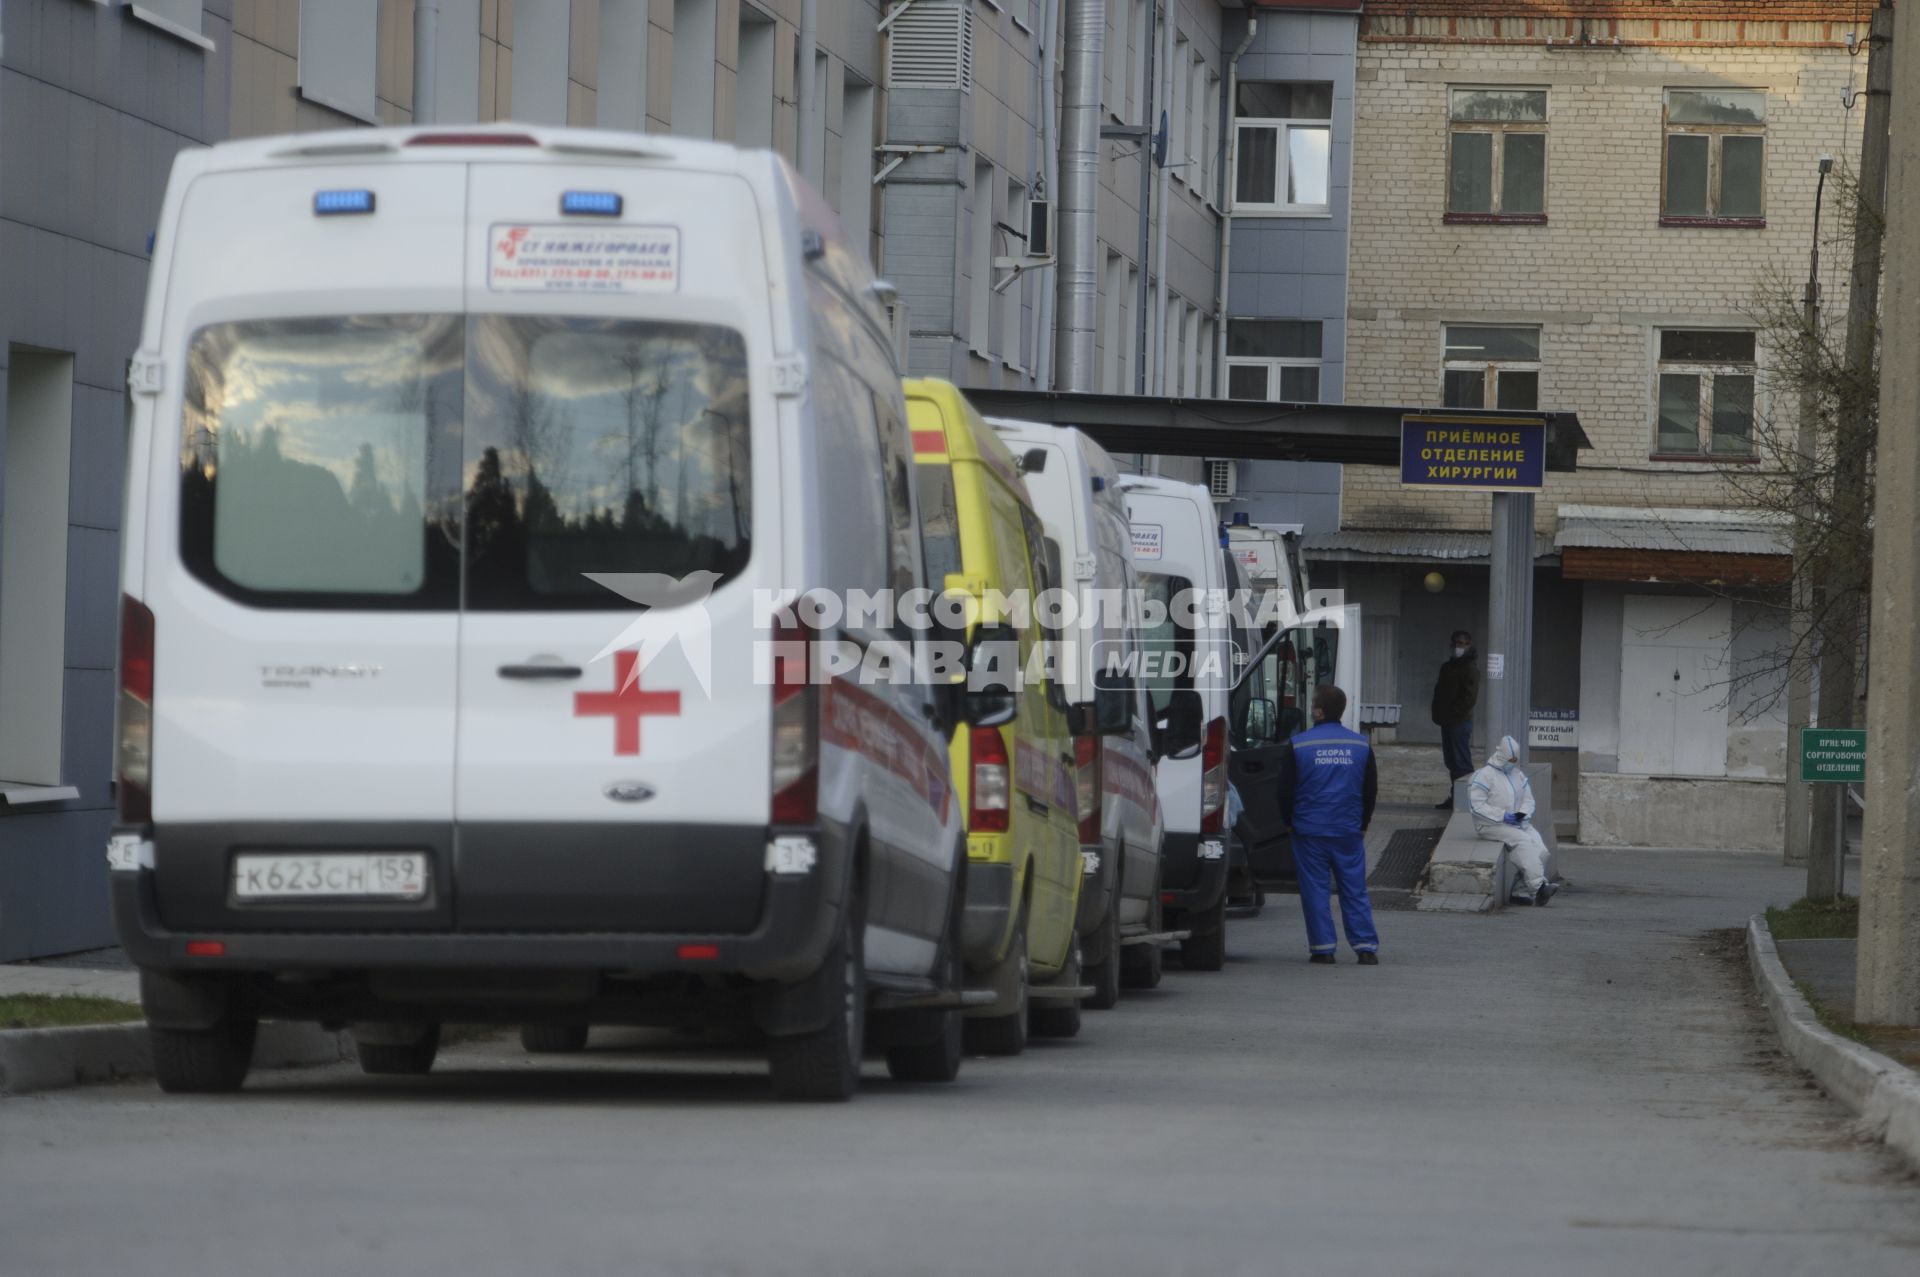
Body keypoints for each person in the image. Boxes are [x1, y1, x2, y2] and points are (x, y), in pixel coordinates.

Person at [1276, 685, 1380, 965]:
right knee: (1354, 888)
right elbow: (1370, 789)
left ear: (1318, 711)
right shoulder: (1360, 745)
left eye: (1312, 705)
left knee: (1316, 890)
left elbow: (1284, 790)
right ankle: (1366, 947)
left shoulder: (1299, 744)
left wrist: (1288, 823)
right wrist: (1363, 824)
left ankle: (1323, 949)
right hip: (1348, 830)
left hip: (1309, 831)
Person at [1469, 734, 1559, 907]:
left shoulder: (1516, 774)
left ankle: (1520, 892)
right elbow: (1476, 806)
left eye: (1515, 759)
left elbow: (1528, 799)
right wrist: (1501, 815)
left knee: (1541, 850)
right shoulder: (1484, 776)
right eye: (1510, 759)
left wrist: (1521, 815)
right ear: (1502, 756)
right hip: (1490, 824)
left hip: (1516, 822)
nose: (1513, 762)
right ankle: (1539, 888)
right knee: (1524, 842)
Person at [1431, 631, 1480, 809]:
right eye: (1457, 643)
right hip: (1448, 721)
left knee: (1462, 762)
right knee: (1451, 761)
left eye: (1463, 643)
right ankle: (1456, 797)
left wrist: (1453, 713)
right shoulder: (1448, 667)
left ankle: (1467, 800)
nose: (1459, 647)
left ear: (1468, 645)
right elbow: (1440, 693)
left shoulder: (1470, 669)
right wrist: (1438, 714)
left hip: (1459, 722)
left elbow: (1469, 698)